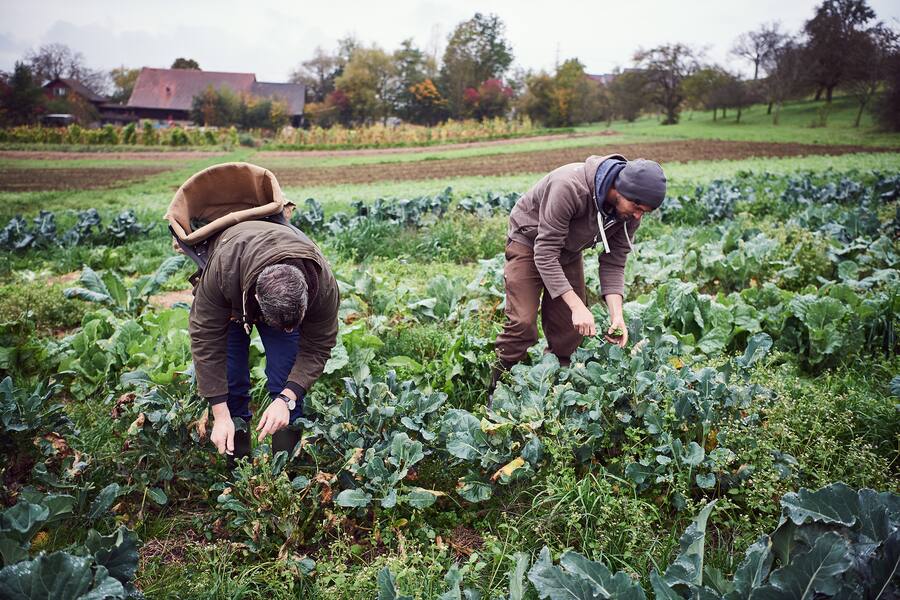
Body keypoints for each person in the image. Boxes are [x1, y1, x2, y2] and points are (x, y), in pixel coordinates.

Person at [176, 167, 340, 465]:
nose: (289, 332)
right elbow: (205, 339)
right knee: (232, 384)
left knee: (286, 381)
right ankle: (236, 465)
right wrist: (219, 413)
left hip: (270, 275)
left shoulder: (323, 285)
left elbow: (318, 345)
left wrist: (288, 396)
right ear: (257, 302)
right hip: (233, 285)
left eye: (294, 325)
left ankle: (285, 471)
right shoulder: (222, 272)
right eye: (282, 325)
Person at [491, 154, 667, 395]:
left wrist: (617, 316)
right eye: (637, 208)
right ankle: (498, 389)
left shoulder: (628, 214)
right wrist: (577, 306)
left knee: (570, 332)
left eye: (645, 212)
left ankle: (555, 390)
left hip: (569, 251)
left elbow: (614, 262)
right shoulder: (569, 187)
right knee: (522, 323)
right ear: (618, 189)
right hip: (529, 242)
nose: (638, 216)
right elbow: (545, 254)